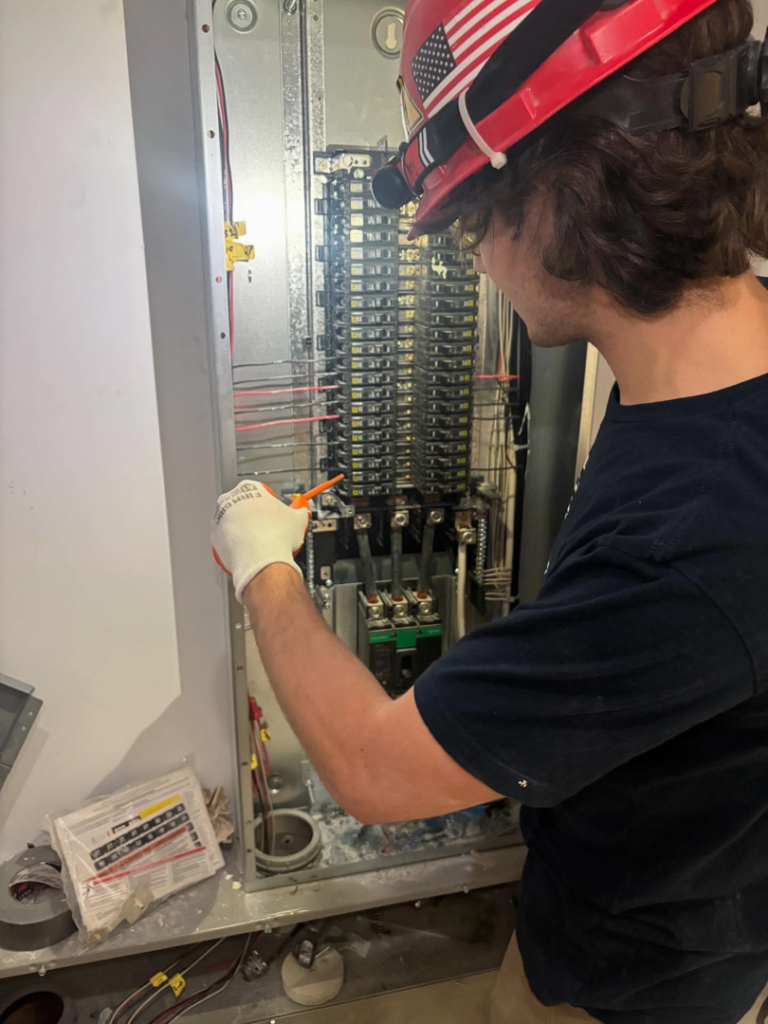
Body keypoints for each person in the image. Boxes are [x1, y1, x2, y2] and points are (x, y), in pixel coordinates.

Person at [211, 1, 768, 1020]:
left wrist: (263, 566)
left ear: (563, 193)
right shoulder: (705, 394)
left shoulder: (694, 538)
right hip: (666, 910)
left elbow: (373, 768)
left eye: (474, 217)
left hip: (633, 983)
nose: (474, 260)